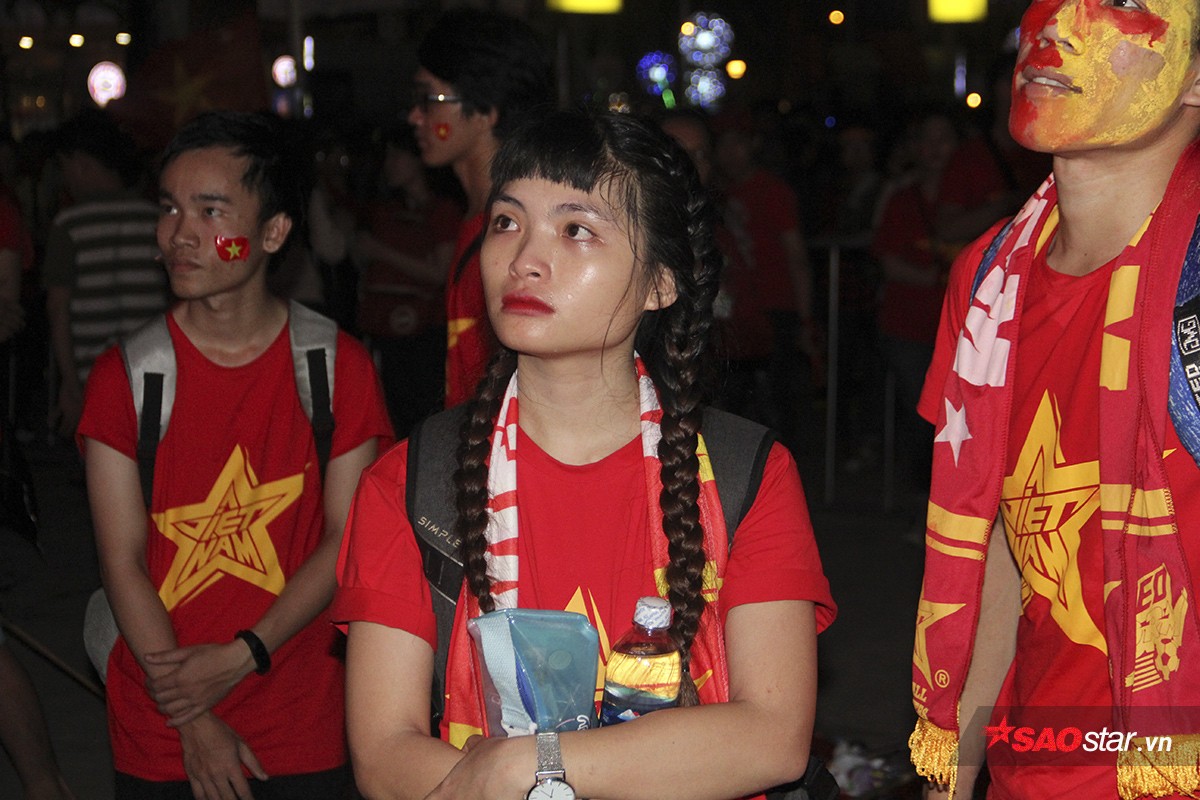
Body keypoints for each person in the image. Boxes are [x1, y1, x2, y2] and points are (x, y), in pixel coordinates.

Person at [333, 108, 836, 800]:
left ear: (661, 282)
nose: (524, 259)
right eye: (506, 222)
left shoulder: (745, 472)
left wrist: (527, 764)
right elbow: (385, 757)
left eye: (576, 230)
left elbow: (772, 738)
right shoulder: (410, 482)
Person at [911, 1, 1200, 798]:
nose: (1055, 25)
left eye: (1124, 3)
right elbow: (1002, 544)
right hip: (1033, 758)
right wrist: (952, 779)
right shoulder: (989, 278)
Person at [77, 111, 392, 799]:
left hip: (299, 719)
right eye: (169, 208)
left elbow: (346, 538)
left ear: (273, 233)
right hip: (161, 724)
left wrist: (246, 653)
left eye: (210, 211)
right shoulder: (126, 377)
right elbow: (122, 561)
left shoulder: (335, 368)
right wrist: (193, 717)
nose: (180, 234)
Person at [406, 8, 553, 408]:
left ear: (487, 111)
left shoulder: (517, 237)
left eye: (430, 100)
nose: (415, 116)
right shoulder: (475, 219)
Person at [43, 110, 168, 438]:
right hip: (156, 373)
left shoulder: (68, 225)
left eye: (64, 166)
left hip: (95, 378)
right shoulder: (156, 220)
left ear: (82, 163)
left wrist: (70, 385)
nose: (64, 178)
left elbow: (58, 309)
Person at [871, 108, 960, 502]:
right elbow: (887, 260)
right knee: (924, 417)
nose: (936, 149)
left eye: (945, 139)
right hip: (908, 327)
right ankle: (922, 505)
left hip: (964, 332)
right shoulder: (901, 198)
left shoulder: (976, 199)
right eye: (929, 139)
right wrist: (938, 279)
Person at [355, 123, 462, 438]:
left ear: (417, 160)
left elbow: (440, 272)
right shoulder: (387, 210)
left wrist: (381, 252)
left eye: (397, 156)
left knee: (420, 420)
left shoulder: (441, 210)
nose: (389, 164)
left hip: (423, 334)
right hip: (385, 332)